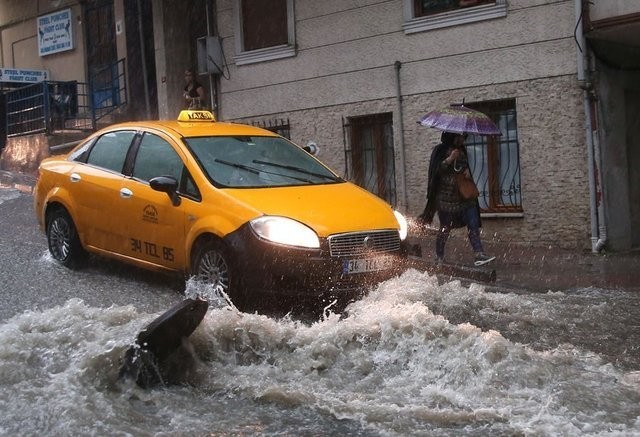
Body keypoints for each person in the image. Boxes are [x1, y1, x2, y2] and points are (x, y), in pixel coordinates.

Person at [418, 131, 495, 266]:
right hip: (445, 199)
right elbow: (436, 172)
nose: (462, 140)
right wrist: (449, 159)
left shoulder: (462, 150)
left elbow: (463, 167)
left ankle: (479, 254)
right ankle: (439, 256)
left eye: (464, 137)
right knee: (445, 227)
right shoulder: (440, 150)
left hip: (463, 196)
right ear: (452, 136)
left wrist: (467, 173)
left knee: (473, 222)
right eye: (459, 137)